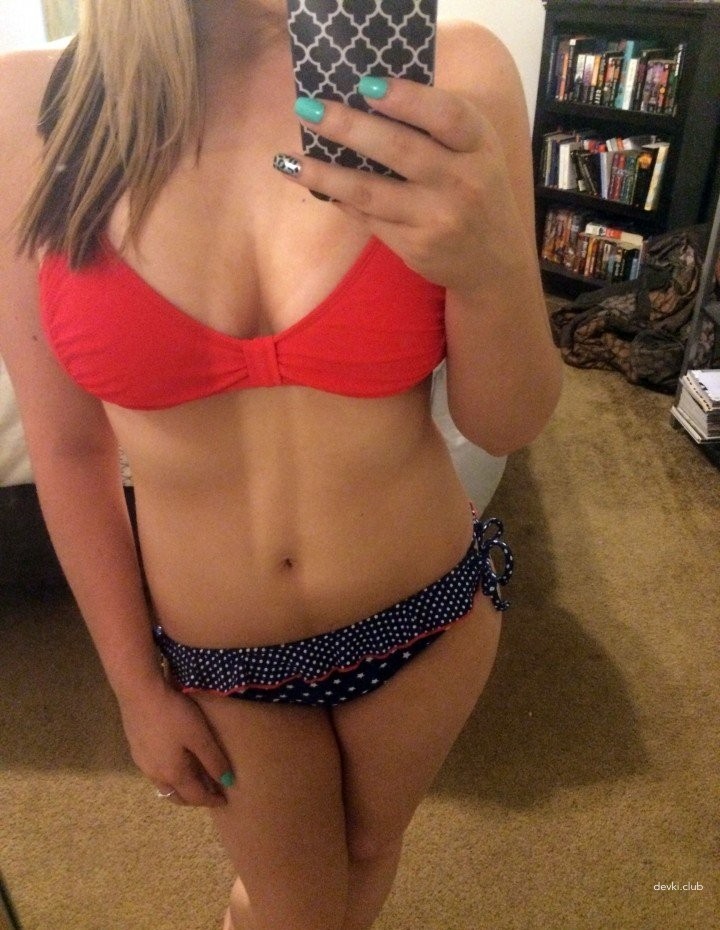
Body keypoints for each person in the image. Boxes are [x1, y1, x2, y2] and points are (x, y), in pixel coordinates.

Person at [0, 2, 562, 928]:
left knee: (367, 857)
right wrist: (136, 689)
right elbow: (68, 447)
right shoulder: (32, 104)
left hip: (428, 612)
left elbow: (507, 422)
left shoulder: (449, 71)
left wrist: (491, 266)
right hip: (227, 659)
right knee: (298, 908)